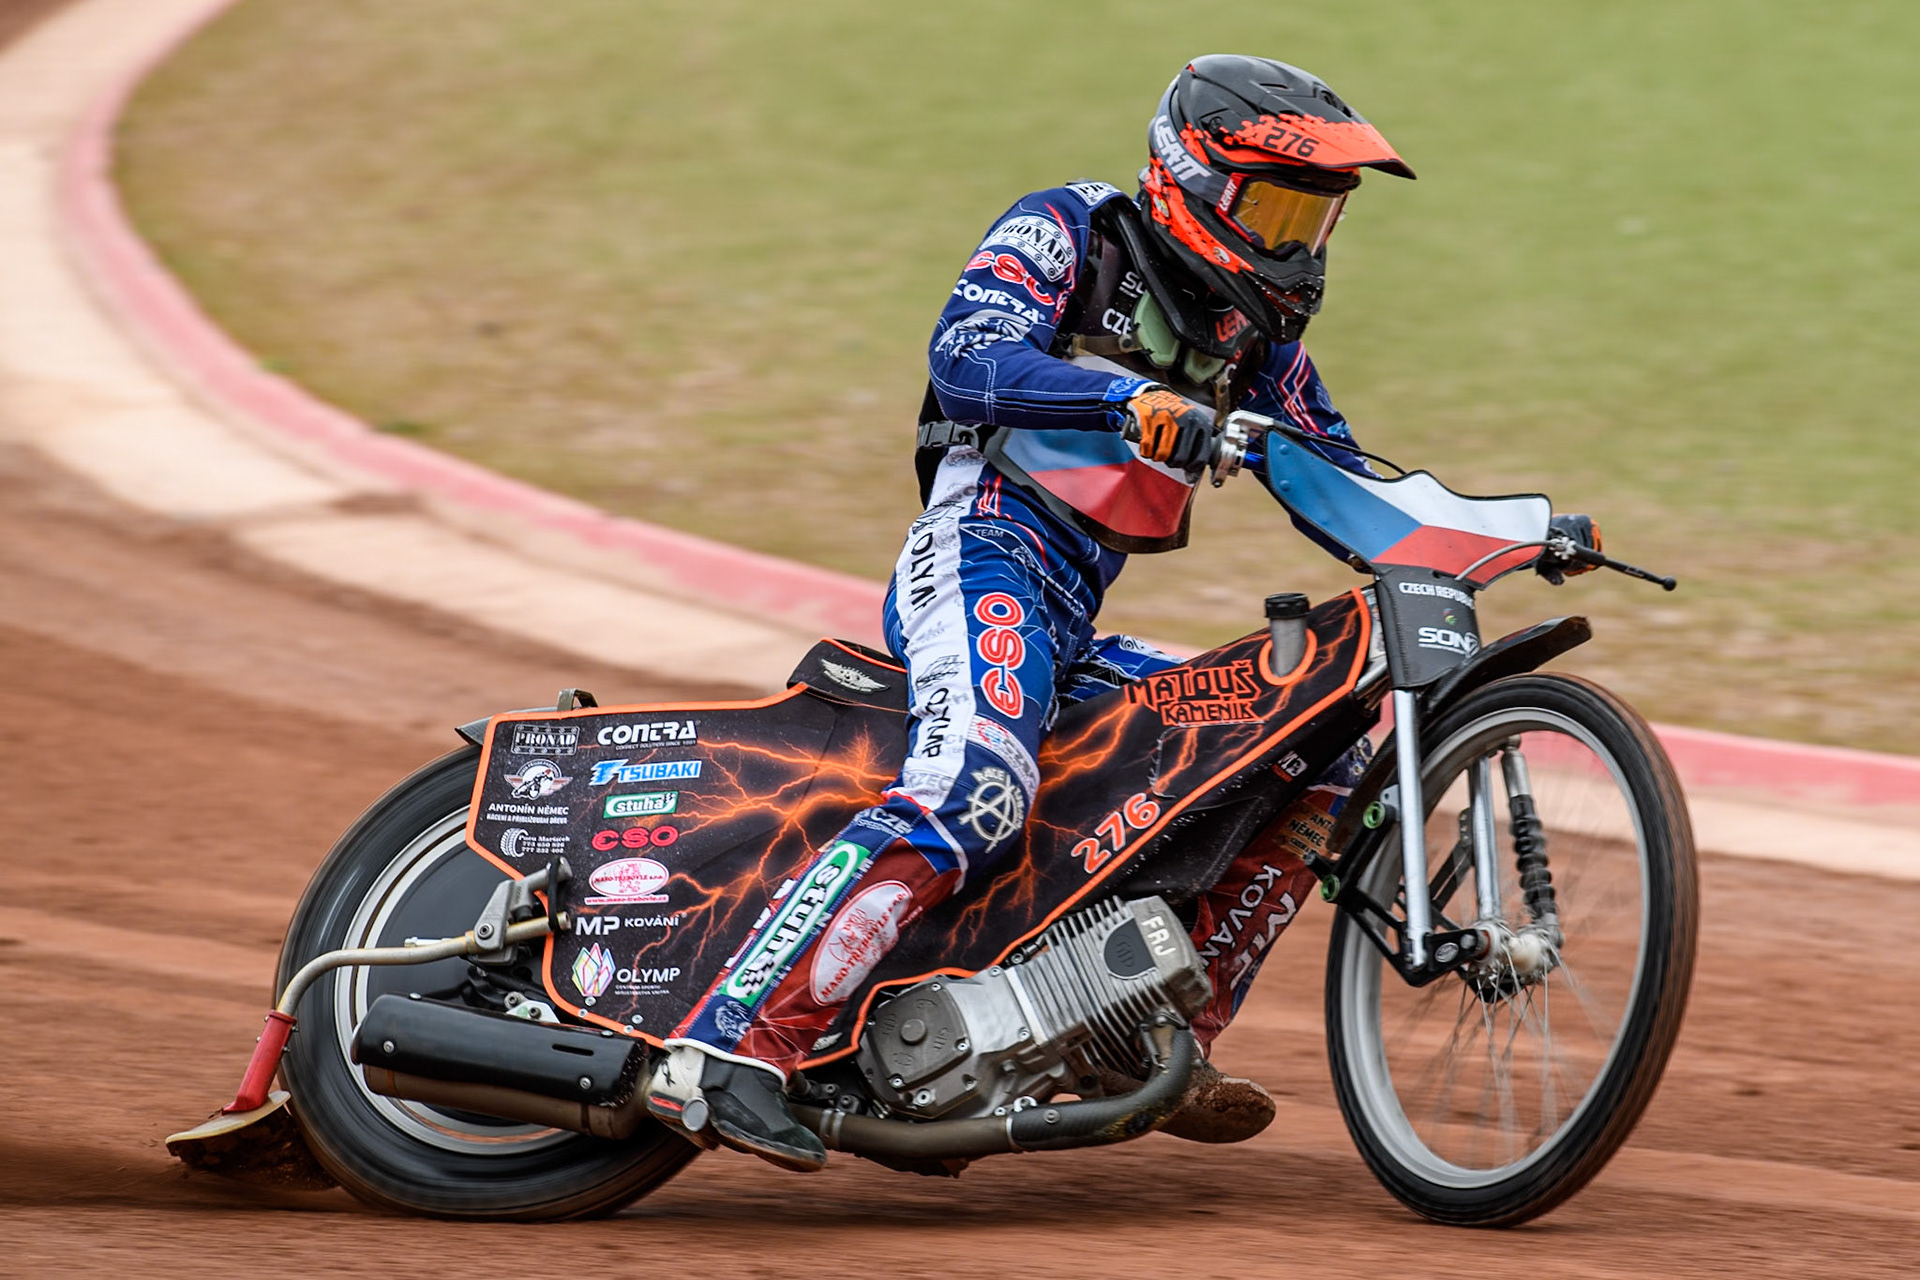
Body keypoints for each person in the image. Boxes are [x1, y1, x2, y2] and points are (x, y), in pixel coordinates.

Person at [652, 54, 1594, 1171]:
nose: (1296, 245)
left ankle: (1151, 1034)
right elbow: (965, 361)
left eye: (1315, 219)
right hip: (980, 556)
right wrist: (1131, 399)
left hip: (1075, 617)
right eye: (1275, 209)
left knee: (1314, 748)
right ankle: (725, 1047)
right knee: (975, 783)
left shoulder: (1259, 345)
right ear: (1188, 179)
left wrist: (1512, 530)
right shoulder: (1068, 231)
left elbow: (1347, 483)